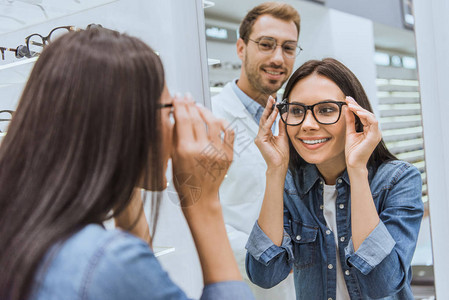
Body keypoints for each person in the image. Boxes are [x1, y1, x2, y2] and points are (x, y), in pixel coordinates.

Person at [0, 27, 254, 300]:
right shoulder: (106, 261)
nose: (176, 126)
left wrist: (123, 170)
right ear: (127, 126)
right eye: (169, 111)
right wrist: (204, 202)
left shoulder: (24, 227)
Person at [245, 58, 424, 299]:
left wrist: (357, 169)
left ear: (355, 115)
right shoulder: (288, 186)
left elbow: (381, 284)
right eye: (297, 111)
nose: (307, 125)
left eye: (326, 110)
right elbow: (265, 275)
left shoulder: (398, 180)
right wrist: (275, 170)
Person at [211, 2, 300, 299]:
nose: (278, 58)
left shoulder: (295, 120)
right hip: (240, 282)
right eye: (266, 44)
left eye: (289, 48)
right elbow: (190, 209)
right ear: (240, 48)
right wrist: (266, 254)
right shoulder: (209, 118)